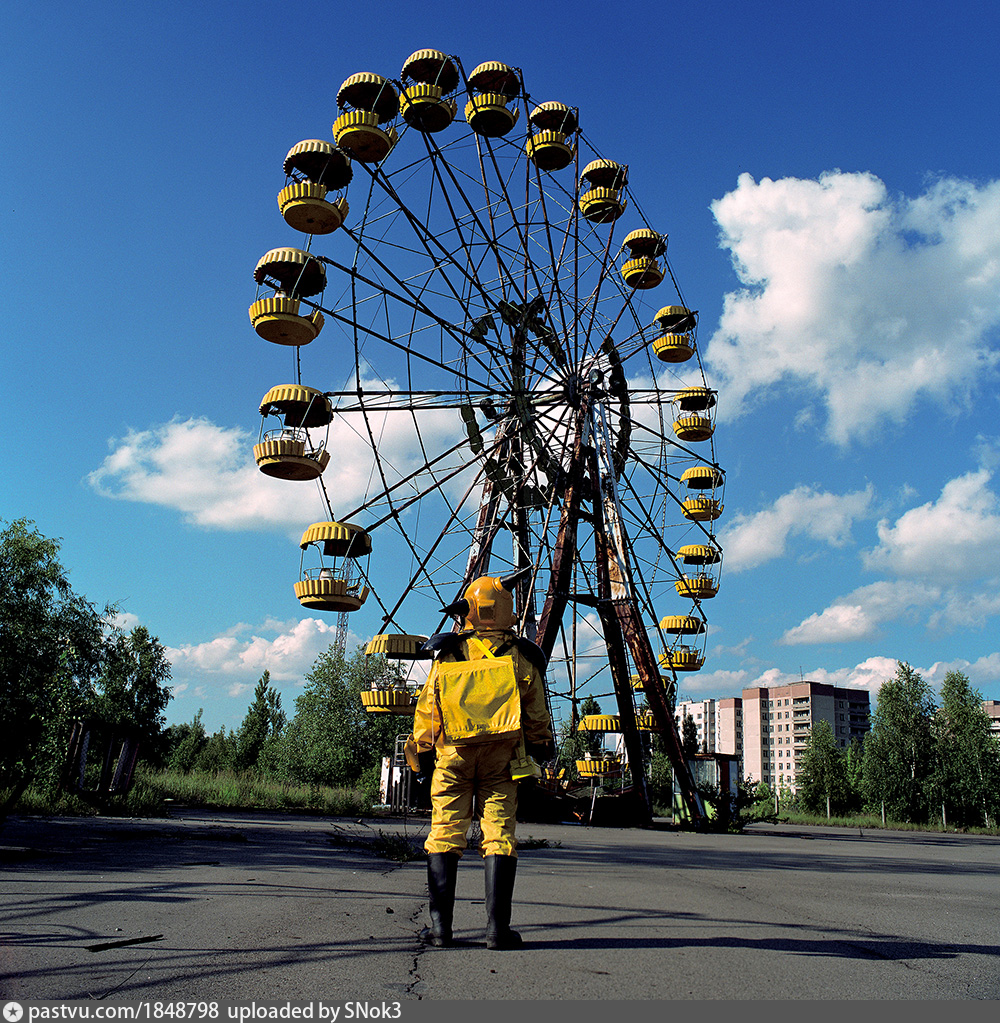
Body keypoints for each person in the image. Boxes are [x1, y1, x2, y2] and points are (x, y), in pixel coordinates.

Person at [406, 570, 553, 950]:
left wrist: (421, 757)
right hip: (502, 759)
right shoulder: (522, 657)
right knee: (499, 835)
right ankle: (496, 930)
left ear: (468, 611)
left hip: (453, 756)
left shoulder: (449, 653)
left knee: (444, 833)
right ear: (506, 610)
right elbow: (536, 714)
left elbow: (428, 712)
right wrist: (540, 747)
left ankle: (441, 930)